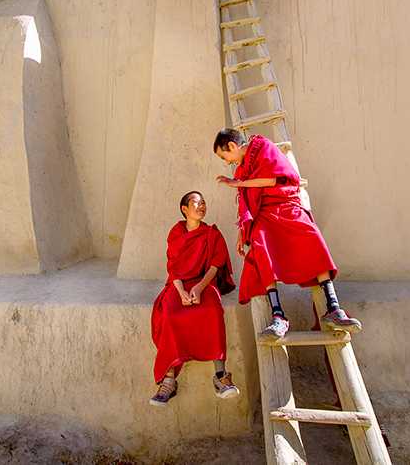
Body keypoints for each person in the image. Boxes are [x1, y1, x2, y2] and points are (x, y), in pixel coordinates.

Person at [213, 128, 361, 339]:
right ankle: (278, 316)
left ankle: (333, 308)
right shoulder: (239, 171)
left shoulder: (262, 147)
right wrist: (241, 231)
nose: (226, 162)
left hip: (286, 206)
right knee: (260, 245)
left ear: (232, 146)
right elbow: (245, 205)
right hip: (263, 214)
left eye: (224, 156)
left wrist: (239, 183)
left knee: (313, 237)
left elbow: (277, 179)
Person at [150, 191, 241, 406]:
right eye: (196, 203)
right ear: (184, 209)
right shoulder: (176, 233)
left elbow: (215, 265)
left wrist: (200, 289)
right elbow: (173, 267)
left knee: (213, 311)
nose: (201, 206)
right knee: (169, 313)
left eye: (204, 203)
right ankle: (169, 380)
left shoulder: (211, 234)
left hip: (204, 283)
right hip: (178, 283)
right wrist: (181, 293)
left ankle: (220, 377)